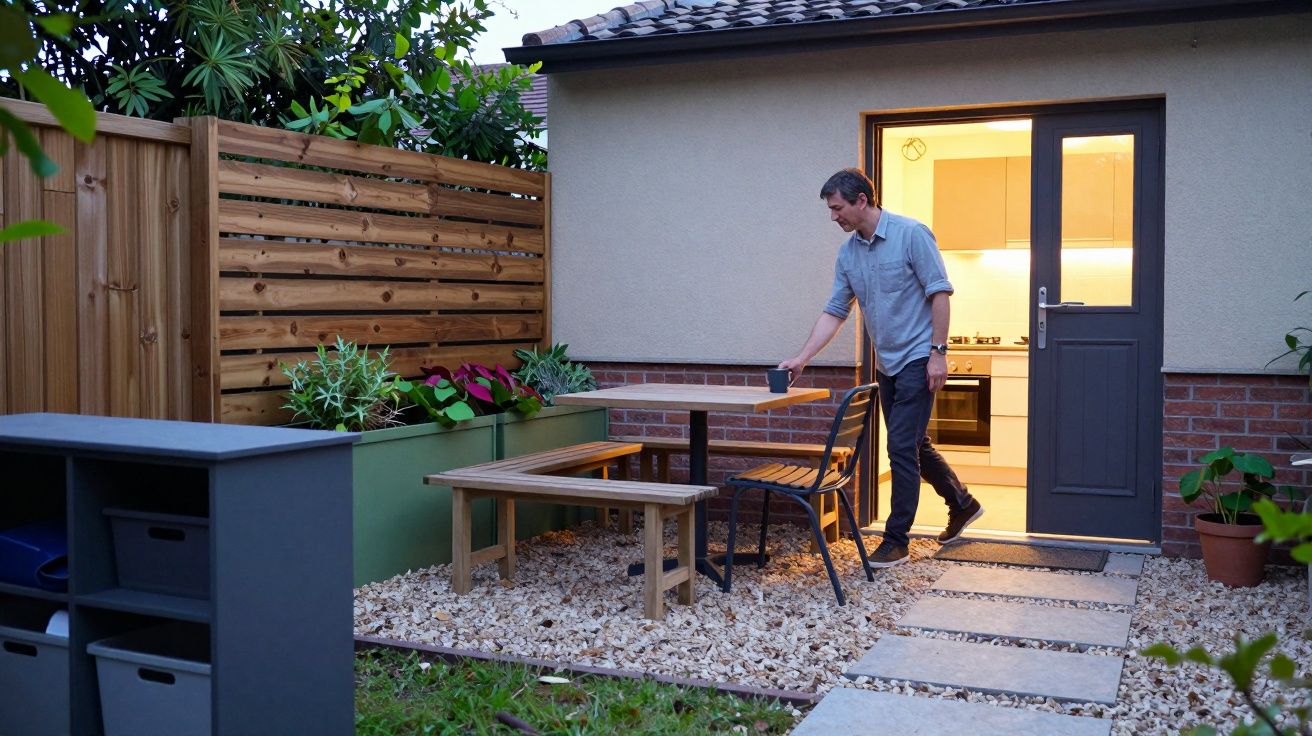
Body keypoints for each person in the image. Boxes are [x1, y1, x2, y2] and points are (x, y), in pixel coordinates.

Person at [779, 168, 984, 568]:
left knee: (900, 448)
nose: (833, 216)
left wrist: (938, 352)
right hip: (887, 362)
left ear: (861, 200)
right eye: (830, 209)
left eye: (837, 208)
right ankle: (962, 503)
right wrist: (802, 357)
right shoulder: (848, 254)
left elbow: (940, 293)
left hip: (918, 357)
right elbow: (836, 310)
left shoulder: (912, 235)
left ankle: (896, 540)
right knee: (914, 443)